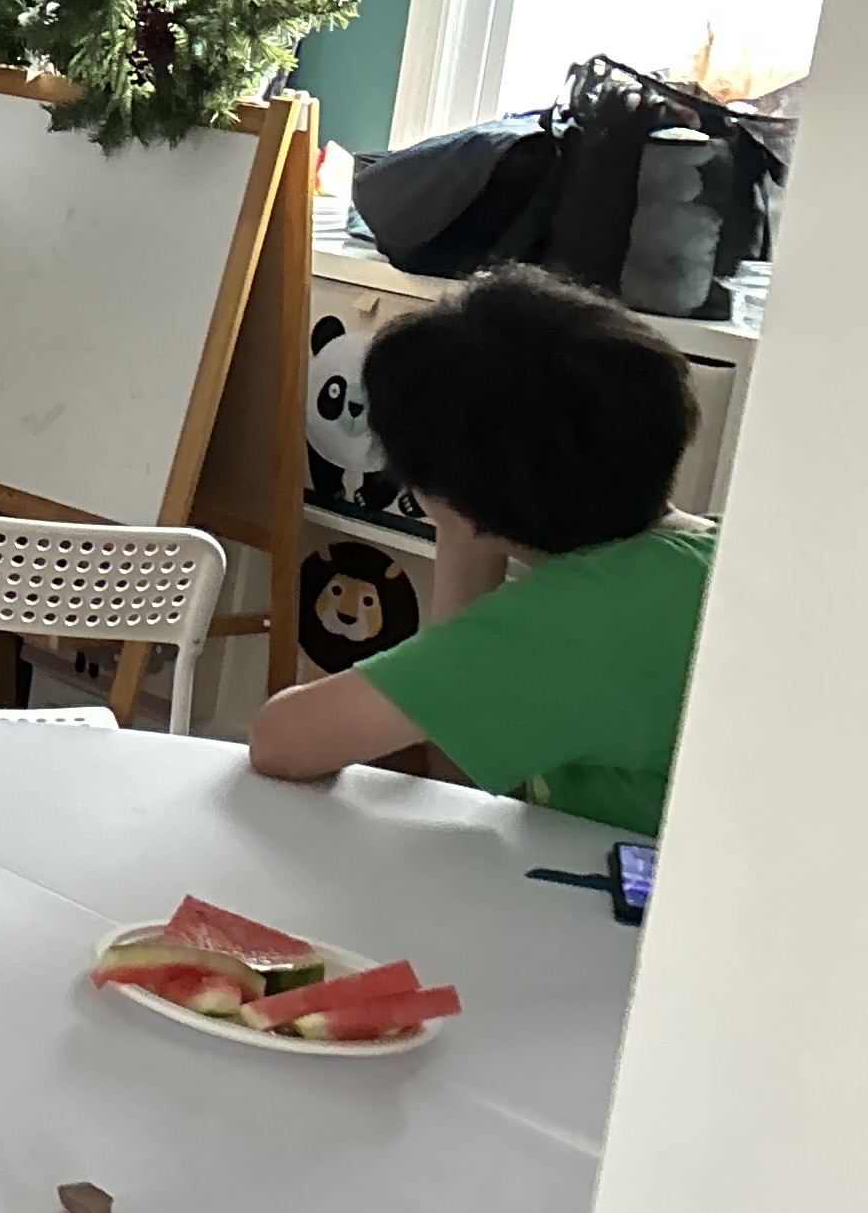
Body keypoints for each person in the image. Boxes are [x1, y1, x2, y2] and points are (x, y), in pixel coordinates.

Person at [249, 268, 713, 831]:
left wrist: (463, 533)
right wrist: (469, 528)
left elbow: (282, 742)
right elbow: (462, 775)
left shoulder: (573, 620)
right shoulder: (704, 559)